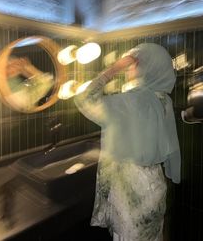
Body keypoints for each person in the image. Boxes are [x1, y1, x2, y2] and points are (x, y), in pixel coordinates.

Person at [74, 43, 181, 241]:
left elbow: (84, 98)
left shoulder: (135, 102)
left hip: (132, 190)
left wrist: (114, 69)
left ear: (147, 67)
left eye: (133, 64)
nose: (128, 68)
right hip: (154, 186)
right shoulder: (162, 100)